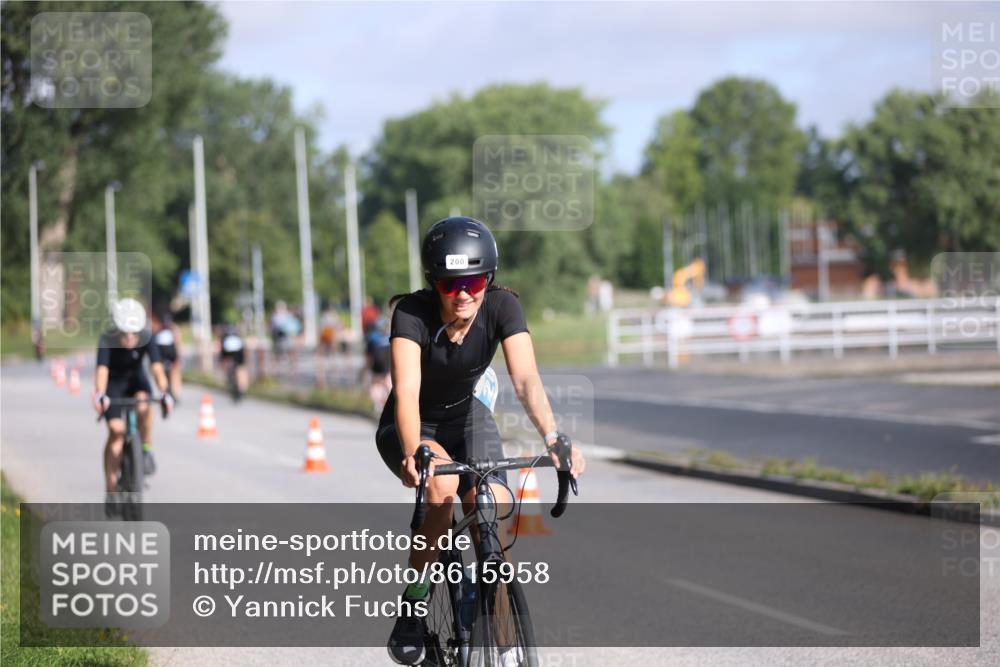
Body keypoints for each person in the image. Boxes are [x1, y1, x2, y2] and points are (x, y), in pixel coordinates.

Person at [377, 216, 586, 665]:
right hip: (414, 423)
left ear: (488, 278)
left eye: (474, 281)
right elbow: (407, 393)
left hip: (467, 416)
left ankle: (506, 645)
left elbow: (527, 379)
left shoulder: (502, 306)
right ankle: (413, 605)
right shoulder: (411, 314)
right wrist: (418, 451)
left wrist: (553, 436)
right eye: (452, 284)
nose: (464, 293)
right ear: (435, 283)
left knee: (487, 504)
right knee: (443, 489)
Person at [92, 298, 174, 512]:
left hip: (136, 381)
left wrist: (165, 391)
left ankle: (145, 449)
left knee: (145, 405)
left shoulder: (147, 336)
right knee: (116, 432)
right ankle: (111, 490)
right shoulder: (107, 338)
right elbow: (101, 370)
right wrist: (100, 394)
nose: (130, 337)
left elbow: (156, 368)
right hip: (114, 385)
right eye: (125, 332)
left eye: (134, 332)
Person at [151, 308, 183, 400]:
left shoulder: (158, 328)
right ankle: (172, 393)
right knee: (172, 373)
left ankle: (170, 393)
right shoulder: (173, 328)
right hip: (168, 355)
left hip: (165, 356)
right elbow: (177, 343)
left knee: (171, 373)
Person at [363, 316, 392, 414]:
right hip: (387, 362)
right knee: (386, 383)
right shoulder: (390, 337)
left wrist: (367, 368)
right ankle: (389, 403)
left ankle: (378, 404)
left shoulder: (372, 338)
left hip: (377, 363)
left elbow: (368, 356)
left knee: (376, 384)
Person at [219, 322, 249, 400]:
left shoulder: (224, 336)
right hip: (237, 351)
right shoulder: (237, 336)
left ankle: (231, 381)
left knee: (229, 365)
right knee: (241, 368)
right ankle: (242, 388)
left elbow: (222, 353)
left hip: (229, 350)